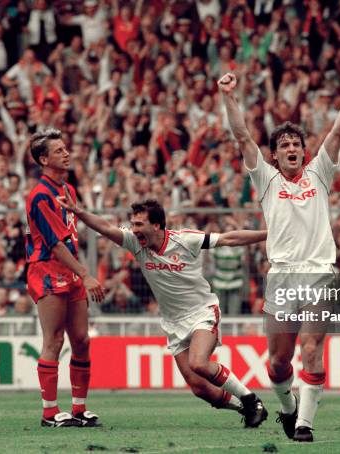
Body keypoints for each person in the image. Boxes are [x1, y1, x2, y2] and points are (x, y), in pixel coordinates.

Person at [218, 69, 340, 442]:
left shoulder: (319, 173)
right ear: (274, 154)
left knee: (311, 347)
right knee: (279, 361)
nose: (291, 148)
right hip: (282, 275)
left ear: (303, 150)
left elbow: (338, 132)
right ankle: (288, 409)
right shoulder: (266, 179)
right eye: (283, 144)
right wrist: (228, 96)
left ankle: (305, 424)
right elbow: (241, 135)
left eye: (296, 143)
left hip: (319, 272)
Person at [57, 195, 268, 428]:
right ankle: (244, 409)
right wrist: (77, 211)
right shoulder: (135, 243)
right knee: (198, 387)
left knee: (199, 363)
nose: (133, 229)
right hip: (173, 321)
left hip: (202, 311)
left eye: (139, 224)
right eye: (132, 224)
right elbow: (105, 227)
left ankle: (251, 400)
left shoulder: (185, 239)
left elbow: (230, 238)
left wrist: (269, 234)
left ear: (156, 225)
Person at [26, 128, 105, 428]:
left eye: (65, 148)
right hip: (47, 270)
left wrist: (79, 271)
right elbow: (55, 244)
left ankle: (79, 408)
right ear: (44, 159)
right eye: (58, 150)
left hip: (69, 269)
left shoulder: (67, 190)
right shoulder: (40, 196)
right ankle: (49, 413)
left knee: (82, 340)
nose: (66, 153)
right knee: (54, 340)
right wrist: (86, 273)